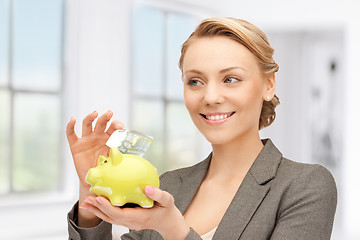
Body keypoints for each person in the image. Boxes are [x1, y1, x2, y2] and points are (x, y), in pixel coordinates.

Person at [67, 17, 337, 240]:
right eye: (195, 81)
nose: (210, 97)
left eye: (230, 79)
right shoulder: (167, 186)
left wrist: (173, 229)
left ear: (268, 85)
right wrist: (92, 191)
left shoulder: (305, 186)